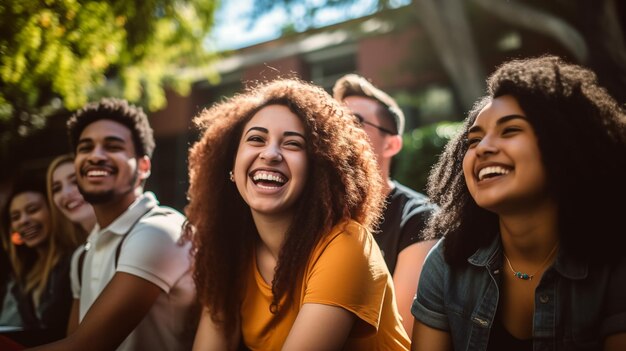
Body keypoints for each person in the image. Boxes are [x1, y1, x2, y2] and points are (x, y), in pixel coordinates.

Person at [411, 55, 626, 350]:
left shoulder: (616, 263)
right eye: (474, 140)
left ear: (565, 144)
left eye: (510, 130)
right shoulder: (445, 264)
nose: (483, 148)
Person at [187, 77, 411, 350]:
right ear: (231, 165)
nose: (270, 154)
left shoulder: (347, 244)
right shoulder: (230, 250)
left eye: (293, 144)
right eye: (256, 139)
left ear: (319, 169)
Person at [30, 98, 197, 351]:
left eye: (113, 146)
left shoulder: (159, 230)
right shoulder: (82, 256)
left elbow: (85, 346)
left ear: (143, 167)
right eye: (85, 148)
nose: (95, 156)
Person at [333, 74, 439, 336]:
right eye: (334, 121)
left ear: (392, 143)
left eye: (355, 122)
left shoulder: (420, 219)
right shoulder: (317, 212)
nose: (340, 131)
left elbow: (400, 333)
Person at [1, 178, 74, 346]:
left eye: (33, 210)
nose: (23, 221)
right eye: (15, 217)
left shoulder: (74, 262)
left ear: (53, 211)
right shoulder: (21, 276)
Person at [46, 154, 95, 248]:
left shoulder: (130, 238)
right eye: (57, 188)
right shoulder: (77, 256)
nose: (65, 193)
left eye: (75, 181)